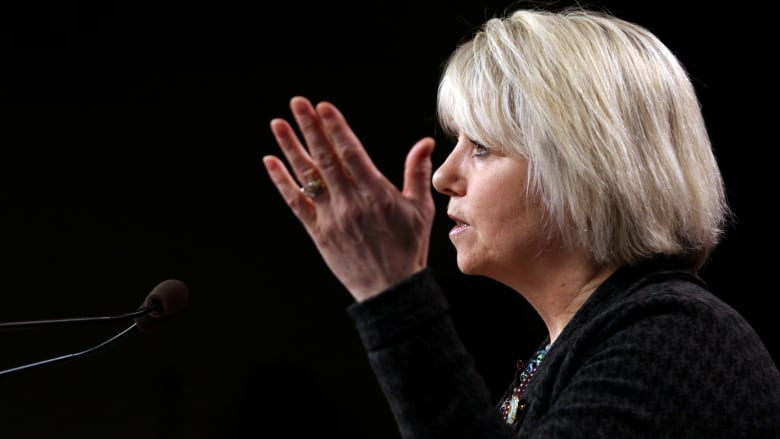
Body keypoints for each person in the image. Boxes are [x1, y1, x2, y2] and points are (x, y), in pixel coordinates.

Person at [262, 6, 780, 438]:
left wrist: (390, 293)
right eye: (455, 144)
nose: (444, 176)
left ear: (585, 166)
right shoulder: (585, 341)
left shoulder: (678, 338)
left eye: (482, 148)